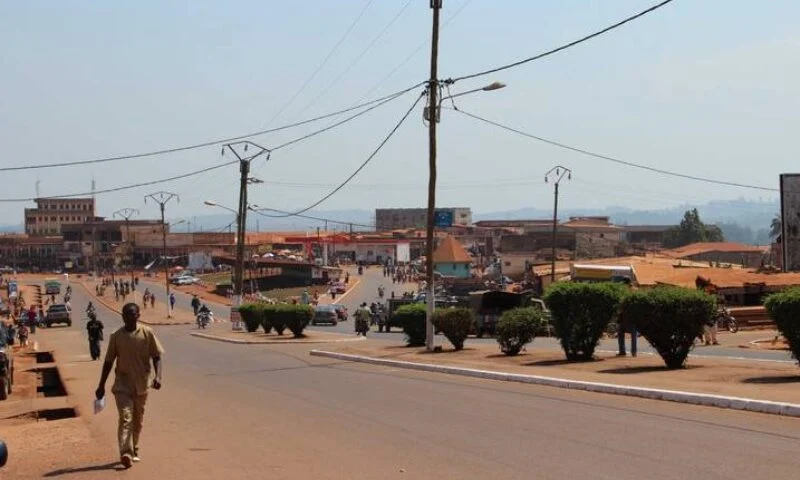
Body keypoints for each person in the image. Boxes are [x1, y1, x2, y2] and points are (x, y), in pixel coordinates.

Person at [95, 303, 164, 469]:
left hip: (142, 385)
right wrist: (101, 385)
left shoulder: (147, 333)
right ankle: (126, 452)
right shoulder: (116, 336)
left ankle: (134, 448)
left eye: (133, 314)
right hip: (122, 385)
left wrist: (159, 376)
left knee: (138, 421)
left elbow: (157, 356)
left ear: (138, 315)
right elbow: (108, 362)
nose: (129, 317)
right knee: (126, 418)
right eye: (126, 314)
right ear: (122, 316)